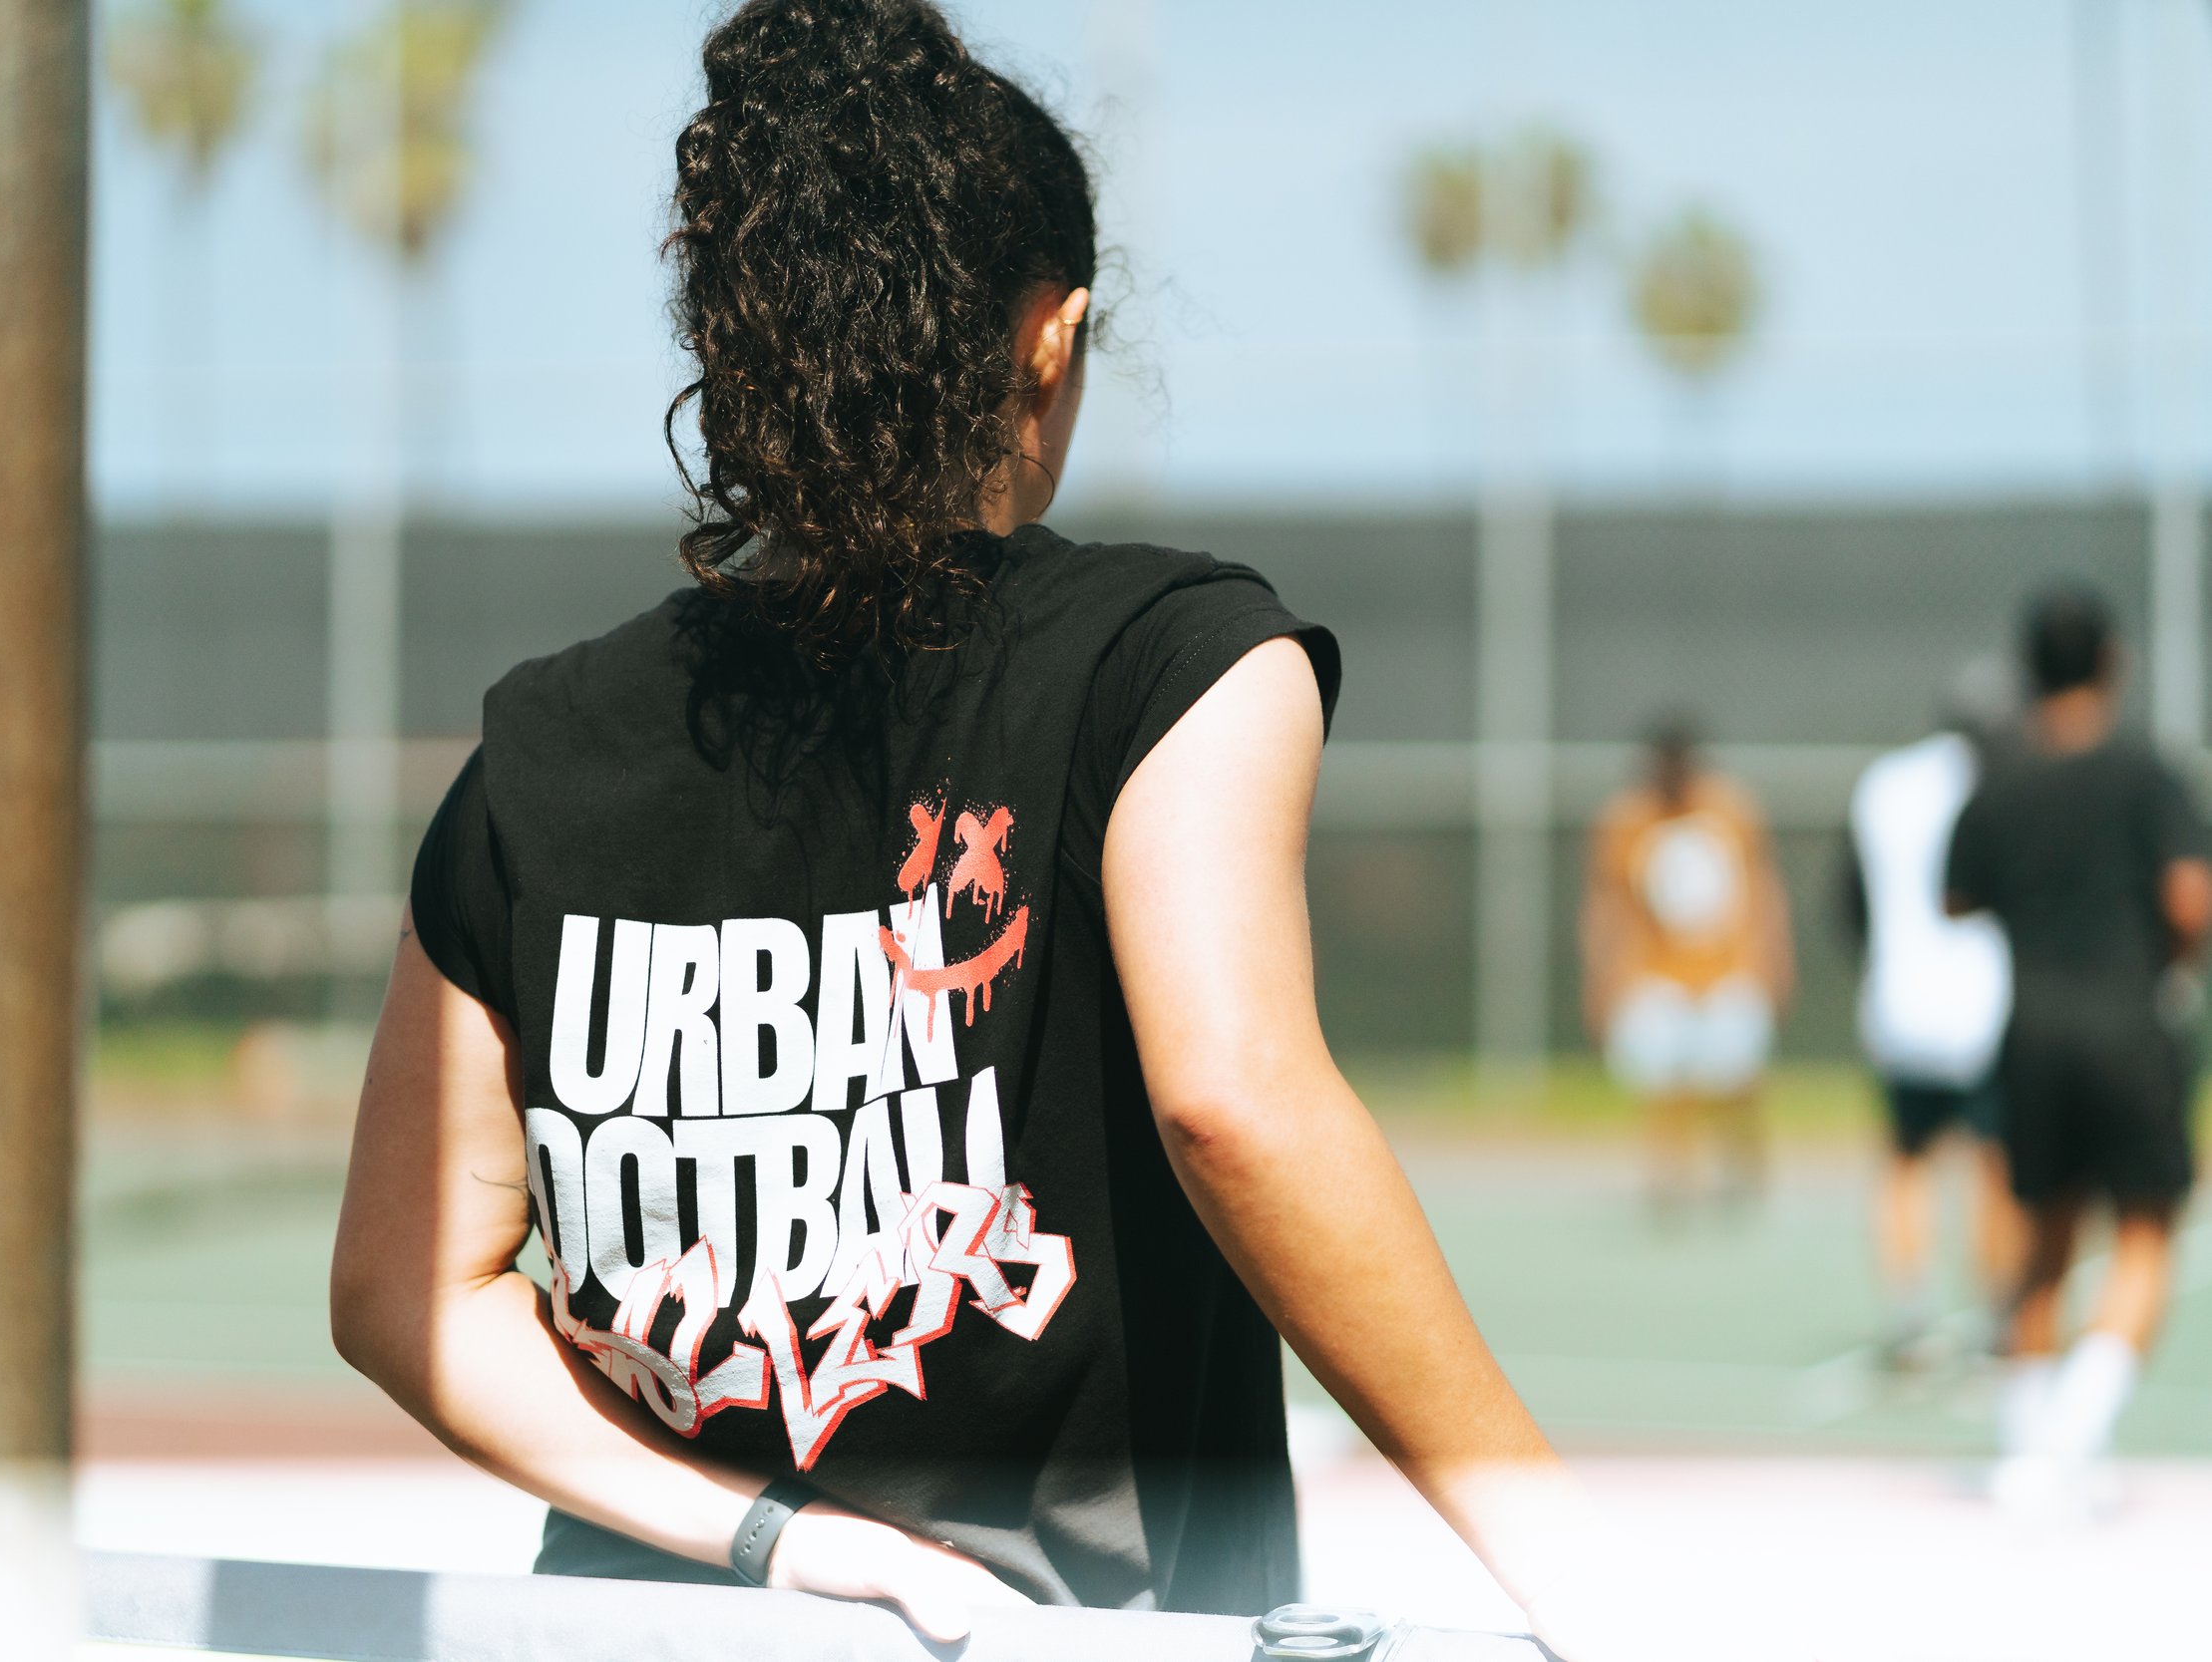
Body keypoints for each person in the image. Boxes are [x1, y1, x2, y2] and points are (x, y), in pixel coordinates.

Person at [325, 4, 1668, 1657]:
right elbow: (1236, 1103)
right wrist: (1591, 1580)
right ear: (1051, 333)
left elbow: (404, 1291)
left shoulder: (539, 746)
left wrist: (779, 1540)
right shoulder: (1174, 663)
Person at [1945, 582, 2209, 1512]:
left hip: (2031, 1027)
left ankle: (2024, 1448)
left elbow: (1956, 897)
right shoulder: (2146, 772)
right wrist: (2168, 954)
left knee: (2043, 1244)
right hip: (2127, 1021)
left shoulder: (2000, 778)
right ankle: (2071, 1436)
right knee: (2145, 1233)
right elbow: (2189, 900)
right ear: (2112, 660)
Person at [1837, 669, 2020, 1367]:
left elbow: (1851, 900)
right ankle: (1999, 1315)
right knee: (1995, 1166)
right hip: (1986, 1010)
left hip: (1900, 1005)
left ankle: (1910, 1314)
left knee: (1906, 1161)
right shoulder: (2006, 782)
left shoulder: (1886, 783)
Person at [1582, 716, 1796, 1212]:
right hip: (1656, 976)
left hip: (1728, 972)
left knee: (1735, 1078)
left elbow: (1763, 893)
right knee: (1663, 1083)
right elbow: (1608, 908)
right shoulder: (1627, 821)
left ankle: (1743, 1165)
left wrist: (1774, 960)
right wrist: (1601, 978)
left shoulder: (1731, 811)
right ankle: (1672, 1176)